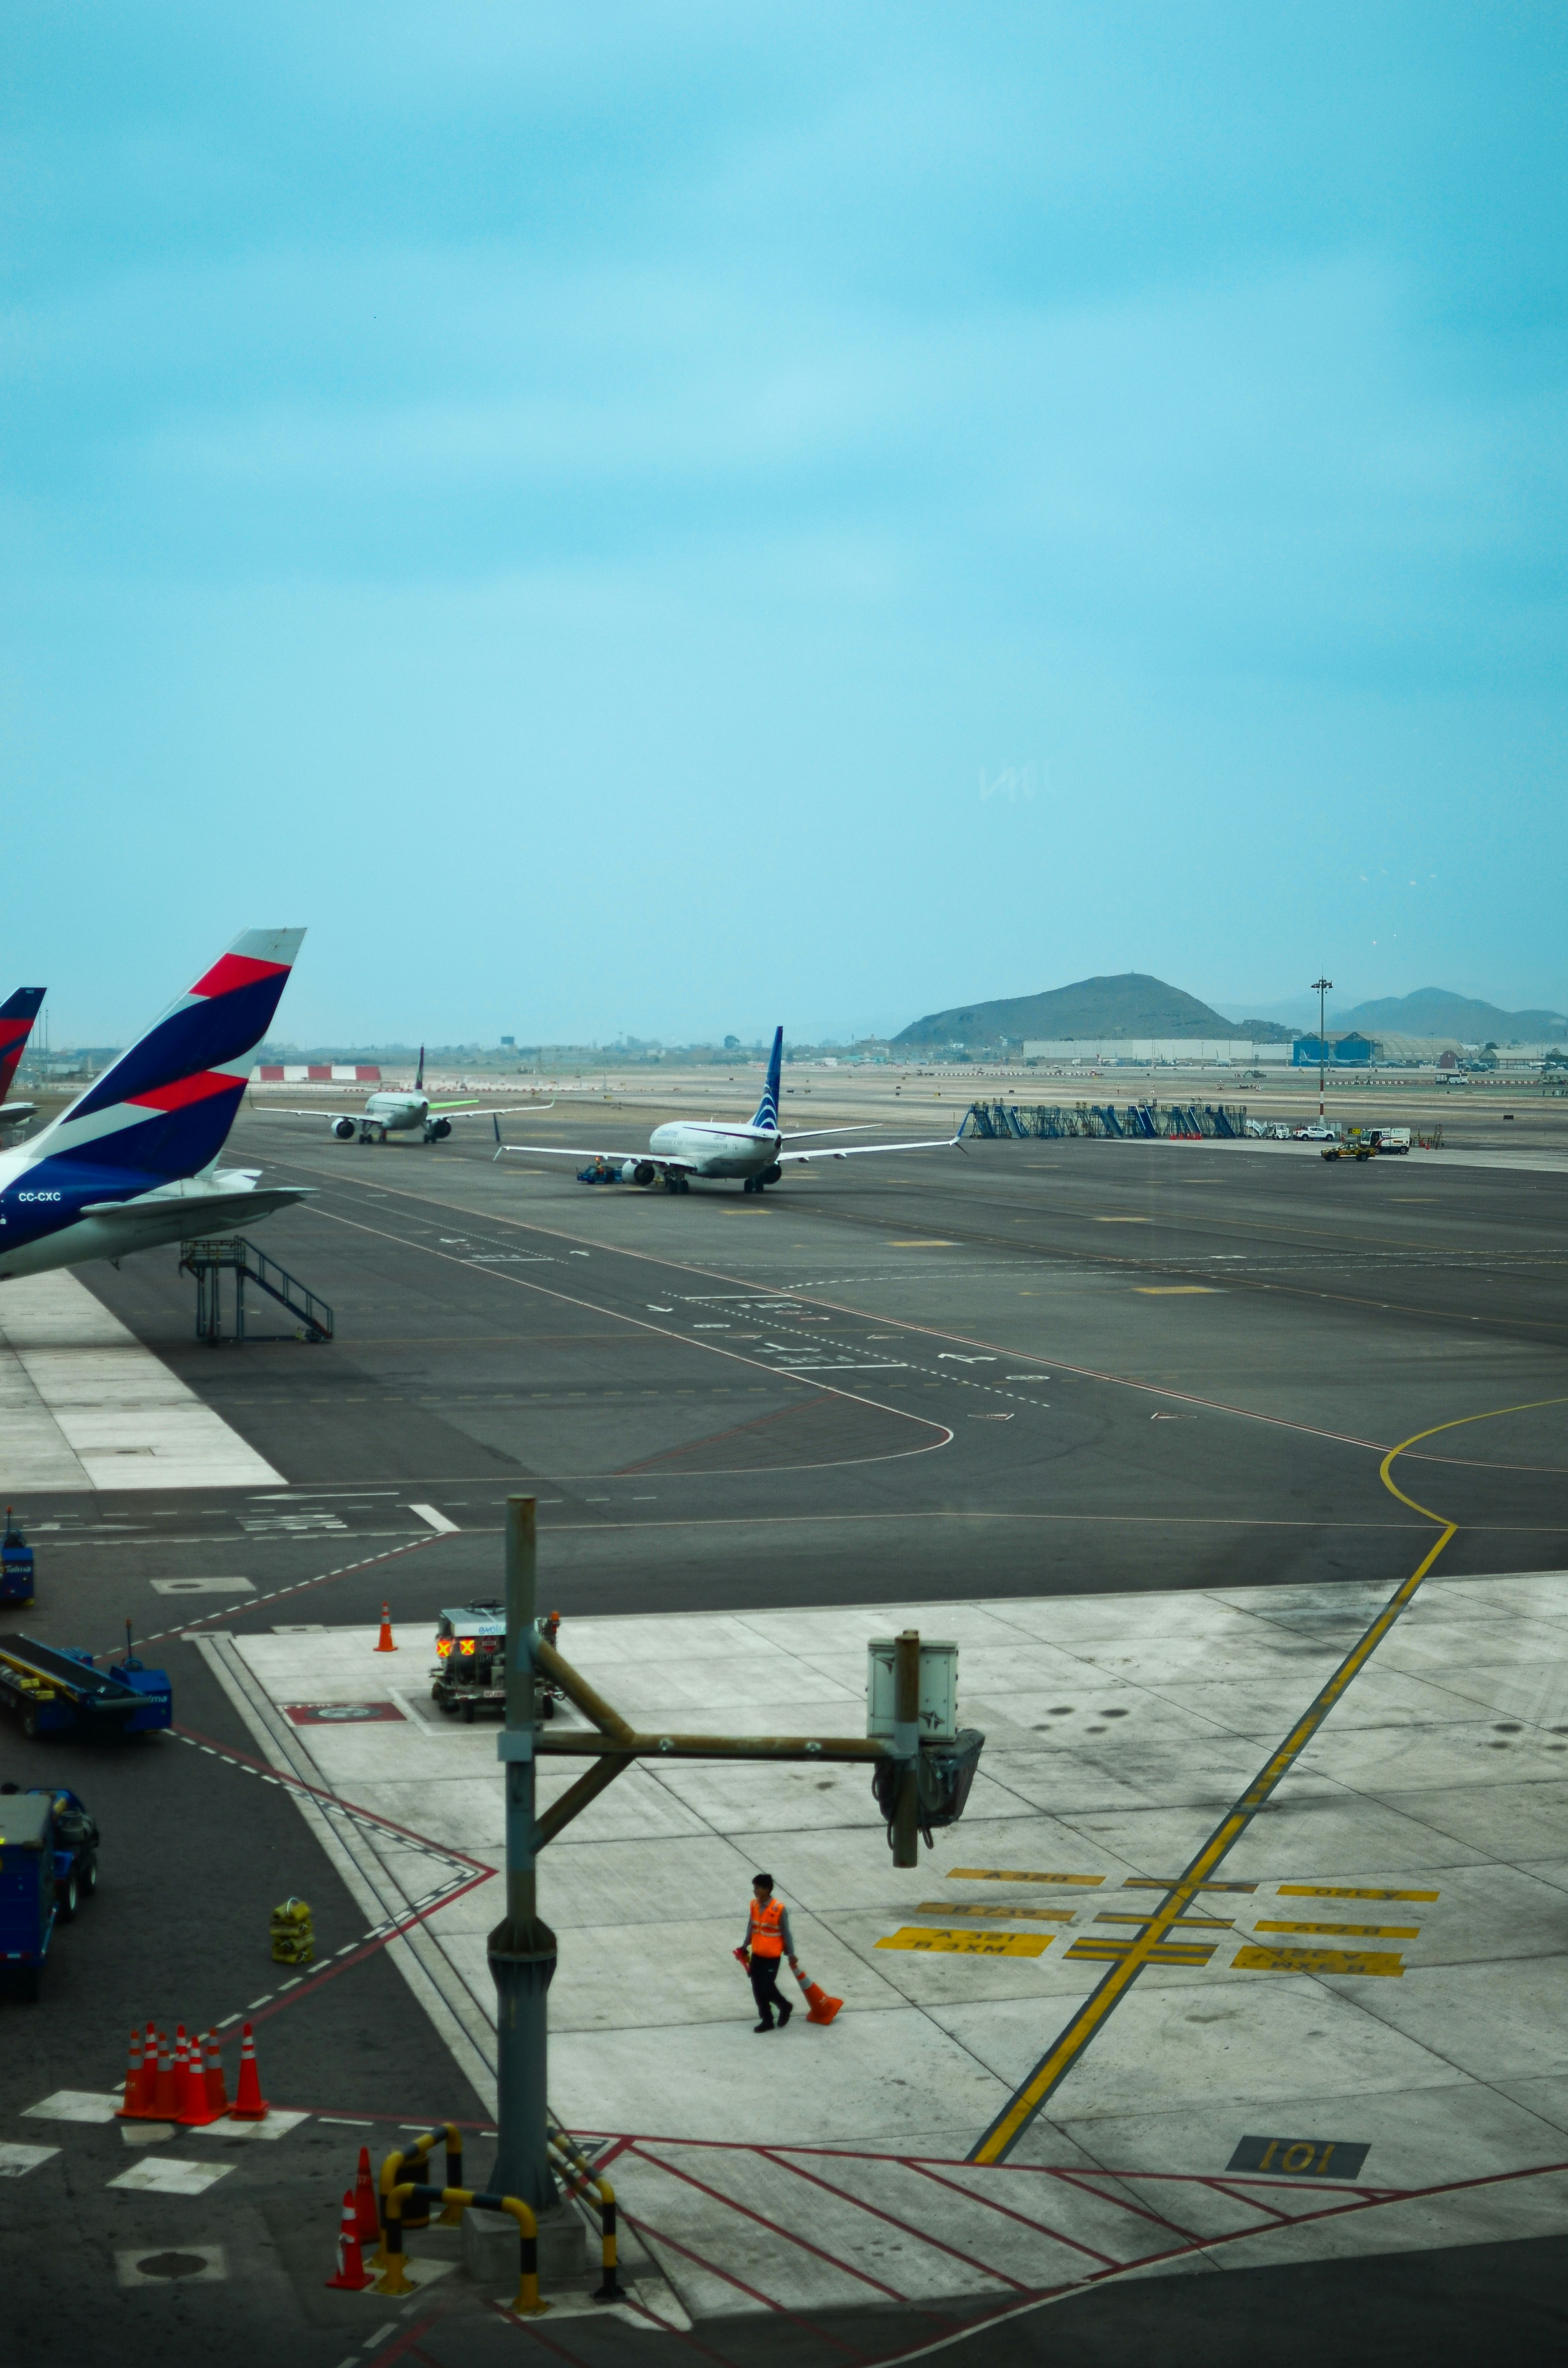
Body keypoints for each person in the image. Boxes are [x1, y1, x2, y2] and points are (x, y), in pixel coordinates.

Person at [737, 1872, 795, 2033]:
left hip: (772, 1957)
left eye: (757, 1888)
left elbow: (786, 1933)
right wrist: (744, 1946)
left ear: (767, 1889)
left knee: (766, 1987)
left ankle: (785, 2006)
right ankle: (767, 2020)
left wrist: (791, 1954)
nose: (755, 1891)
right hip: (757, 1955)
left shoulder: (778, 1909)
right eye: (754, 1887)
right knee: (757, 1988)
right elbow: (752, 1927)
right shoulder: (754, 1905)